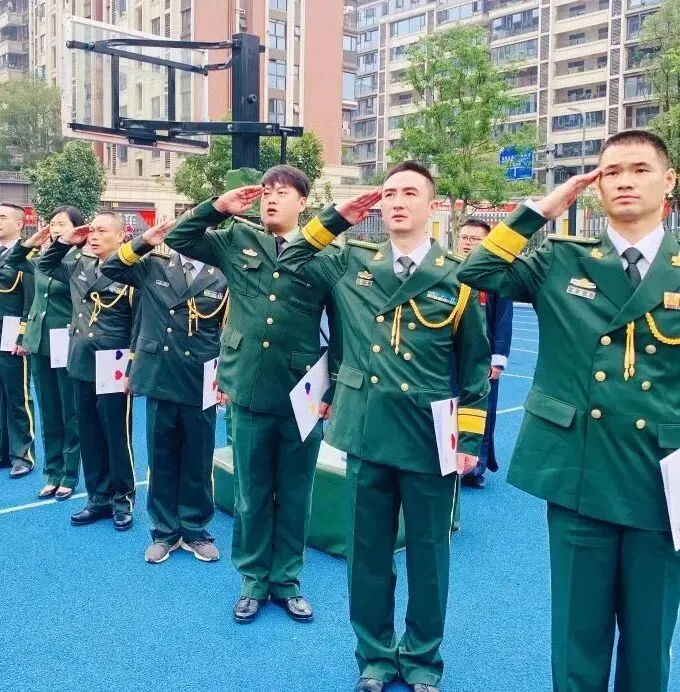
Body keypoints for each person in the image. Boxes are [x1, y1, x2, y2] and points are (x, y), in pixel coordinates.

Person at [213, 161, 489, 692]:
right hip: (367, 429)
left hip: (431, 435)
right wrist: (338, 217)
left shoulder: (458, 275)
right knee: (367, 557)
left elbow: (474, 368)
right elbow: (294, 255)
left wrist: (470, 439)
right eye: (389, 193)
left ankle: (423, 659)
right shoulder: (352, 260)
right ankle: (376, 657)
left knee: (429, 558)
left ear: (433, 205)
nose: (397, 202)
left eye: (410, 193)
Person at [458, 129, 680, 691]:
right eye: (611, 172)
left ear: (669, 181)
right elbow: (477, 271)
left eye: (640, 169)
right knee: (577, 637)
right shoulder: (561, 259)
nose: (624, 181)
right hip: (580, 469)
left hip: (663, 476)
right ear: (595, 186)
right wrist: (542, 209)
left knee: (650, 642)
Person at [165, 165, 340, 624]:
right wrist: (218, 208)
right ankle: (253, 580)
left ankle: (287, 580)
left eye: (282, 192)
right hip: (247, 387)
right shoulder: (236, 239)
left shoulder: (326, 252)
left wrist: (334, 388)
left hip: (302, 394)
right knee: (251, 493)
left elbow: (341, 326)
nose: (271, 199)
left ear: (303, 202)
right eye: (266, 193)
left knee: (295, 492)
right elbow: (180, 238)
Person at [101, 219, 229, 564]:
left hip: (201, 377)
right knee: (161, 458)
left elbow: (230, 329)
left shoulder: (222, 273)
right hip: (159, 373)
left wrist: (227, 376)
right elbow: (111, 267)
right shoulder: (153, 265)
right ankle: (165, 532)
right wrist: (145, 240)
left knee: (198, 458)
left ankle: (196, 530)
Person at [39, 213, 138, 532]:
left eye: (101, 231)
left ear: (121, 236)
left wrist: (134, 364)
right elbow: (45, 265)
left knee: (116, 434)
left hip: (114, 360)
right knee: (89, 433)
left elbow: (140, 322)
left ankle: (122, 499)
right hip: (81, 359)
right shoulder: (79, 265)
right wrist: (66, 240)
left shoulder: (133, 270)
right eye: (91, 230)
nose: (93, 236)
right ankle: (98, 497)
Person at [5, 207, 84, 499]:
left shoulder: (80, 261)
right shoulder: (41, 260)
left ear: (77, 228)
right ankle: (52, 472)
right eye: (52, 223)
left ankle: (69, 474)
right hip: (40, 342)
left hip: (66, 341)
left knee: (69, 413)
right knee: (49, 411)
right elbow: (13, 260)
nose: (55, 228)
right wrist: (30, 242)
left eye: (61, 224)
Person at [456, 219, 513, 488]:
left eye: (475, 239)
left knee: (483, 412)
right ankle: (450, 463)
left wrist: (497, 359)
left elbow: (503, 319)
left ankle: (476, 467)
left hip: (483, 360)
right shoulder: (447, 270)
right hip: (452, 357)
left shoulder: (496, 276)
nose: (468, 243)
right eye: (464, 237)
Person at [0, 202, 35, 479]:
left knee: (17, 395)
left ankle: (23, 454)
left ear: (19, 224)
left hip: (12, 330)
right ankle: (3, 451)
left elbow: (31, 299)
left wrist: (24, 335)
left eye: (2, 217)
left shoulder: (28, 256)